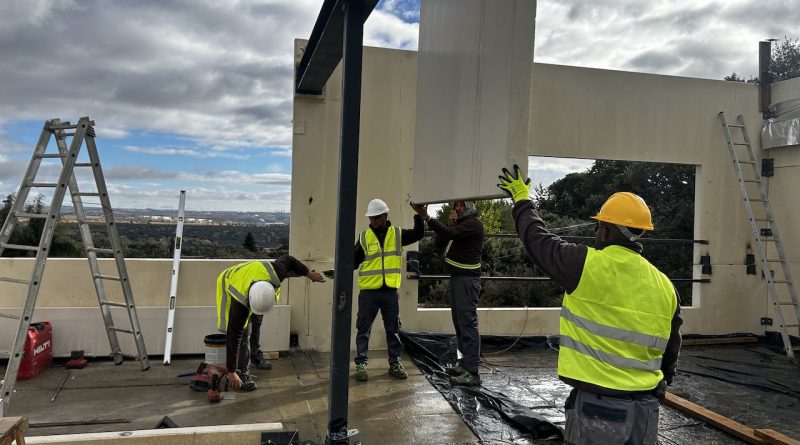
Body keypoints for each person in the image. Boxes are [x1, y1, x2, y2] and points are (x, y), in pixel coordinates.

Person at [497, 164, 682, 445]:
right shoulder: (665, 285)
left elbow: (537, 240)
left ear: (606, 232)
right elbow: (672, 347)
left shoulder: (585, 265)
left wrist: (522, 200)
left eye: (599, 227)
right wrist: (660, 383)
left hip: (599, 411)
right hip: (647, 410)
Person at [216, 256, 325, 391]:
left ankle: (254, 355)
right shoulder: (240, 302)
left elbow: (290, 260)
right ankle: (241, 372)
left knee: (256, 323)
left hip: (253, 277)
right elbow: (234, 335)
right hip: (229, 280)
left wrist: (308, 273)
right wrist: (231, 370)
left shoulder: (277, 271)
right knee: (242, 333)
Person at [412, 200, 485, 386]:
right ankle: (463, 365)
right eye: (455, 205)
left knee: (468, 325)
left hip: (467, 281)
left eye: (461, 205)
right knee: (460, 325)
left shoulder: (473, 224)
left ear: (469, 207)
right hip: (457, 278)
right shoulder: (460, 224)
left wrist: (427, 216)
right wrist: (450, 223)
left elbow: (450, 234)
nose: (457, 208)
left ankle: (472, 372)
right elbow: (439, 242)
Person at [353, 198, 425, 381]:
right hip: (369, 292)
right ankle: (361, 364)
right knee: (363, 329)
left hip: (390, 291)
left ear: (386, 215)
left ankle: (395, 363)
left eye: (377, 217)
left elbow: (418, 234)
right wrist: (338, 271)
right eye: (371, 218)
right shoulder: (364, 237)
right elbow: (352, 262)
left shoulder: (397, 234)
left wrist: (419, 214)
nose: (374, 221)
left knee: (392, 329)